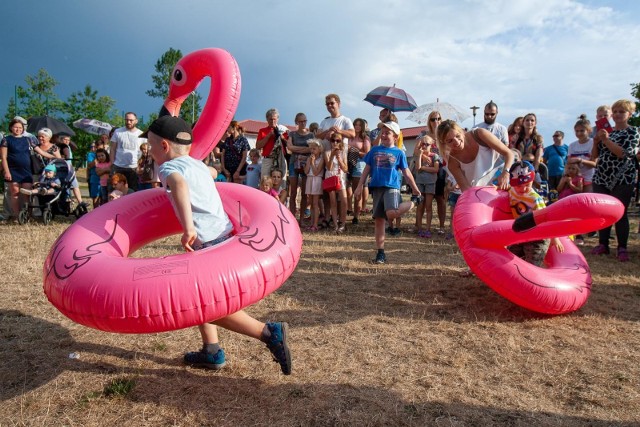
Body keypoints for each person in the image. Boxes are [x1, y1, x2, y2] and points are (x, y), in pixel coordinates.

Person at [143, 115, 292, 374]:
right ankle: (211, 350)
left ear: (164, 147)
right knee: (202, 297)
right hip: (225, 235)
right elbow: (214, 172)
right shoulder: (198, 165)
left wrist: (188, 226)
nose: (148, 149)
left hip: (207, 242)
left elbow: (178, 183)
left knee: (201, 305)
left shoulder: (167, 168)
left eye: (150, 144)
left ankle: (269, 332)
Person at [354, 122, 422, 264]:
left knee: (391, 213)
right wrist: (360, 186)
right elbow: (366, 169)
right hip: (377, 187)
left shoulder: (399, 153)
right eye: (382, 132)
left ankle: (414, 202)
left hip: (392, 186)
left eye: (387, 133)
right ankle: (380, 253)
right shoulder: (374, 150)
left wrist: (415, 189)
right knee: (379, 221)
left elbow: (406, 172)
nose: (383, 135)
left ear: (396, 136)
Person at [590, 99, 639, 262]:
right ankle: (603, 244)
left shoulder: (633, 132)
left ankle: (622, 247)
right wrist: (597, 142)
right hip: (601, 176)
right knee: (603, 212)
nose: (618, 115)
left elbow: (623, 154)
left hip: (622, 176)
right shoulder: (606, 132)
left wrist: (606, 140)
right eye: (615, 111)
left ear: (629, 114)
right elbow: (594, 156)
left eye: (622, 112)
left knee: (620, 212)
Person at [509, 161, 564, 266]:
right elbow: (506, 188)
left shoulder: (535, 199)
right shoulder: (511, 191)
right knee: (512, 257)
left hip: (538, 237)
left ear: (532, 180)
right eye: (519, 186)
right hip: (521, 234)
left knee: (532, 263)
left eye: (527, 185)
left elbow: (546, 218)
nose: (523, 189)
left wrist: (555, 238)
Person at [436, 120, 515, 192]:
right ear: (444, 143)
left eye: (457, 136)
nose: (456, 142)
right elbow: (466, 189)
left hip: (503, 181)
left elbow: (509, 153)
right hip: (482, 192)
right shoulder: (452, 163)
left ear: (462, 132)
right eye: (450, 141)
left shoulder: (479, 134)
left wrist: (506, 172)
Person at [417, 111, 447, 235]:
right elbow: (416, 150)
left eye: (438, 118)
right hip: (425, 171)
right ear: (429, 121)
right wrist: (424, 157)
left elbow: (449, 152)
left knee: (441, 199)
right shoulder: (424, 134)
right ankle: (419, 226)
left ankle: (441, 226)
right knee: (422, 199)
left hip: (440, 169)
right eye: (433, 119)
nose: (436, 121)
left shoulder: (444, 134)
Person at [286, 113, 313, 222]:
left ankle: (301, 219)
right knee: (293, 192)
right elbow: (289, 147)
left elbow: (312, 149)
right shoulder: (292, 134)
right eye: (300, 121)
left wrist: (295, 149)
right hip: (293, 164)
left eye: (304, 121)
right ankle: (292, 218)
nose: (303, 123)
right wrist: (304, 149)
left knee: (304, 193)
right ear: (296, 122)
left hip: (306, 165)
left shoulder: (311, 135)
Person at [413, 136, 441, 238]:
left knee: (428, 207)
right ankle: (420, 228)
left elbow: (436, 169)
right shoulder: (418, 155)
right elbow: (418, 168)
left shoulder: (435, 156)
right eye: (423, 144)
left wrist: (424, 168)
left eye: (427, 144)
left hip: (430, 183)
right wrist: (420, 155)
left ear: (431, 145)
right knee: (420, 207)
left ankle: (428, 229)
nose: (424, 146)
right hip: (420, 183)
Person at [110, 112, 144, 191]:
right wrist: (112, 163)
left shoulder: (141, 134)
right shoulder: (118, 132)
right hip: (118, 166)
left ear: (136, 121)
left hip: (133, 167)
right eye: (126, 120)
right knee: (114, 190)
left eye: (131, 120)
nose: (128, 122)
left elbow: (144, 151)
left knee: (133, 191)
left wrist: (139, 165)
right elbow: (112, 148)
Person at [323, 133, 349, 233]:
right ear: (330, 141)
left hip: (340, 176)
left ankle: (343, 223)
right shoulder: (327, 152)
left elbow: (345, 169)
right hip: (330, 176)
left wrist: (339, 159)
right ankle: (335, 224)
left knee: (344, 201)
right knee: (332, 202)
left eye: (338, 140)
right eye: (333, 140)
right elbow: (328, 167)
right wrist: (332, 156)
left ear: (340, 142)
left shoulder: (343, 152)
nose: (335, 143)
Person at [347, 118, 371, 225]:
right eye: (355, 125)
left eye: (359, 125)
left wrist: (353, 150)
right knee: (347, 190)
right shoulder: (349, 136)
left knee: (357, 191)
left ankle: (356, 216)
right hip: (347, 164)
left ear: (363, 127)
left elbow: (367, 154)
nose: (357, 127)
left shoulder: (365, 138)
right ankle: (347, 210)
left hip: (359, 165)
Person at [567, 115, 596, 193]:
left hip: (589, 179)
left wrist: (580, 160)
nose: (579, 133)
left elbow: (595, 164)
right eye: (577, 131)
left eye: (582, 131)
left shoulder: (593, 143)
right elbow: (568, 162)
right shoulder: (572, 145)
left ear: (589, 131)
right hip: (575, 180)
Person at [256, 108, 288, 179]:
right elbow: (258, 146)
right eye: (271, 119)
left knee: (281, 183)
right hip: (268, 160)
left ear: (278, 119)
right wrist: (268, 136)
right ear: (267, 119)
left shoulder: (283, 130)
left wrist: (282, 137)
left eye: (274, 119)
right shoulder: (262, 131)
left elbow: (289, 146)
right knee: (265, 182)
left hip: (281, 159)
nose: (273, 121)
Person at [56, 134, 86, 206]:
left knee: (74, 185)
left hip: (69, 168)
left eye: (68, 140)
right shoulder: (60, 147)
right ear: (61, 140)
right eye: (65, 139)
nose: (67, 141)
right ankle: (63, 202)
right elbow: (66, 157)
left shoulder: (68, 147)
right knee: (64, 186)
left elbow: (75, 147)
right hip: (62, 168)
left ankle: (80, 201)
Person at [304, 139, 325, 232]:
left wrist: (312, 163)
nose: (312, 151)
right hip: (309, 179)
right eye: (311, 149)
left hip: (316, 180)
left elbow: (316, 172)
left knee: (315, 203)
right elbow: (306, 171)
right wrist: (309, 162)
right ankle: (312, 223)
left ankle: (315, 224)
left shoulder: (322, 159)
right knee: (311, 202)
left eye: (314, 149)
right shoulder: (309, 158)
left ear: (319, 149)